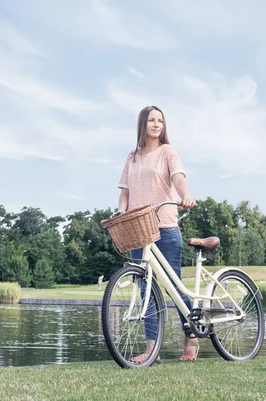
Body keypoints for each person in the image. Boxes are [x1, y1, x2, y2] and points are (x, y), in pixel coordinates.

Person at [116, 105, 199, 363]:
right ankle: (152, 349)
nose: (156, 124)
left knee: (175, 286)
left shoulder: (168, 152)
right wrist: (120, 212)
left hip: (165, 225)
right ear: (143, 124)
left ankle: (191, 336)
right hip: (138, 229)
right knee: (145, 289)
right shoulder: (132, 157)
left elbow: (177, 177)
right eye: (152, 120)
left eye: (160, 121)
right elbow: (125, 192)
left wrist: (185, 194)